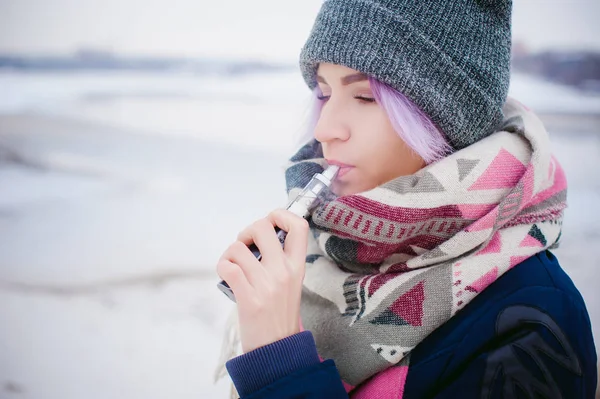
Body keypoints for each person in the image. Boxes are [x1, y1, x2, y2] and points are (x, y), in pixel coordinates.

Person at [214, 0, 598, 397]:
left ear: (444, 119)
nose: (326, 129)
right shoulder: (324, 242)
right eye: (324, 94)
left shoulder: (533, 321)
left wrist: (281, 365)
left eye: (365, 97)